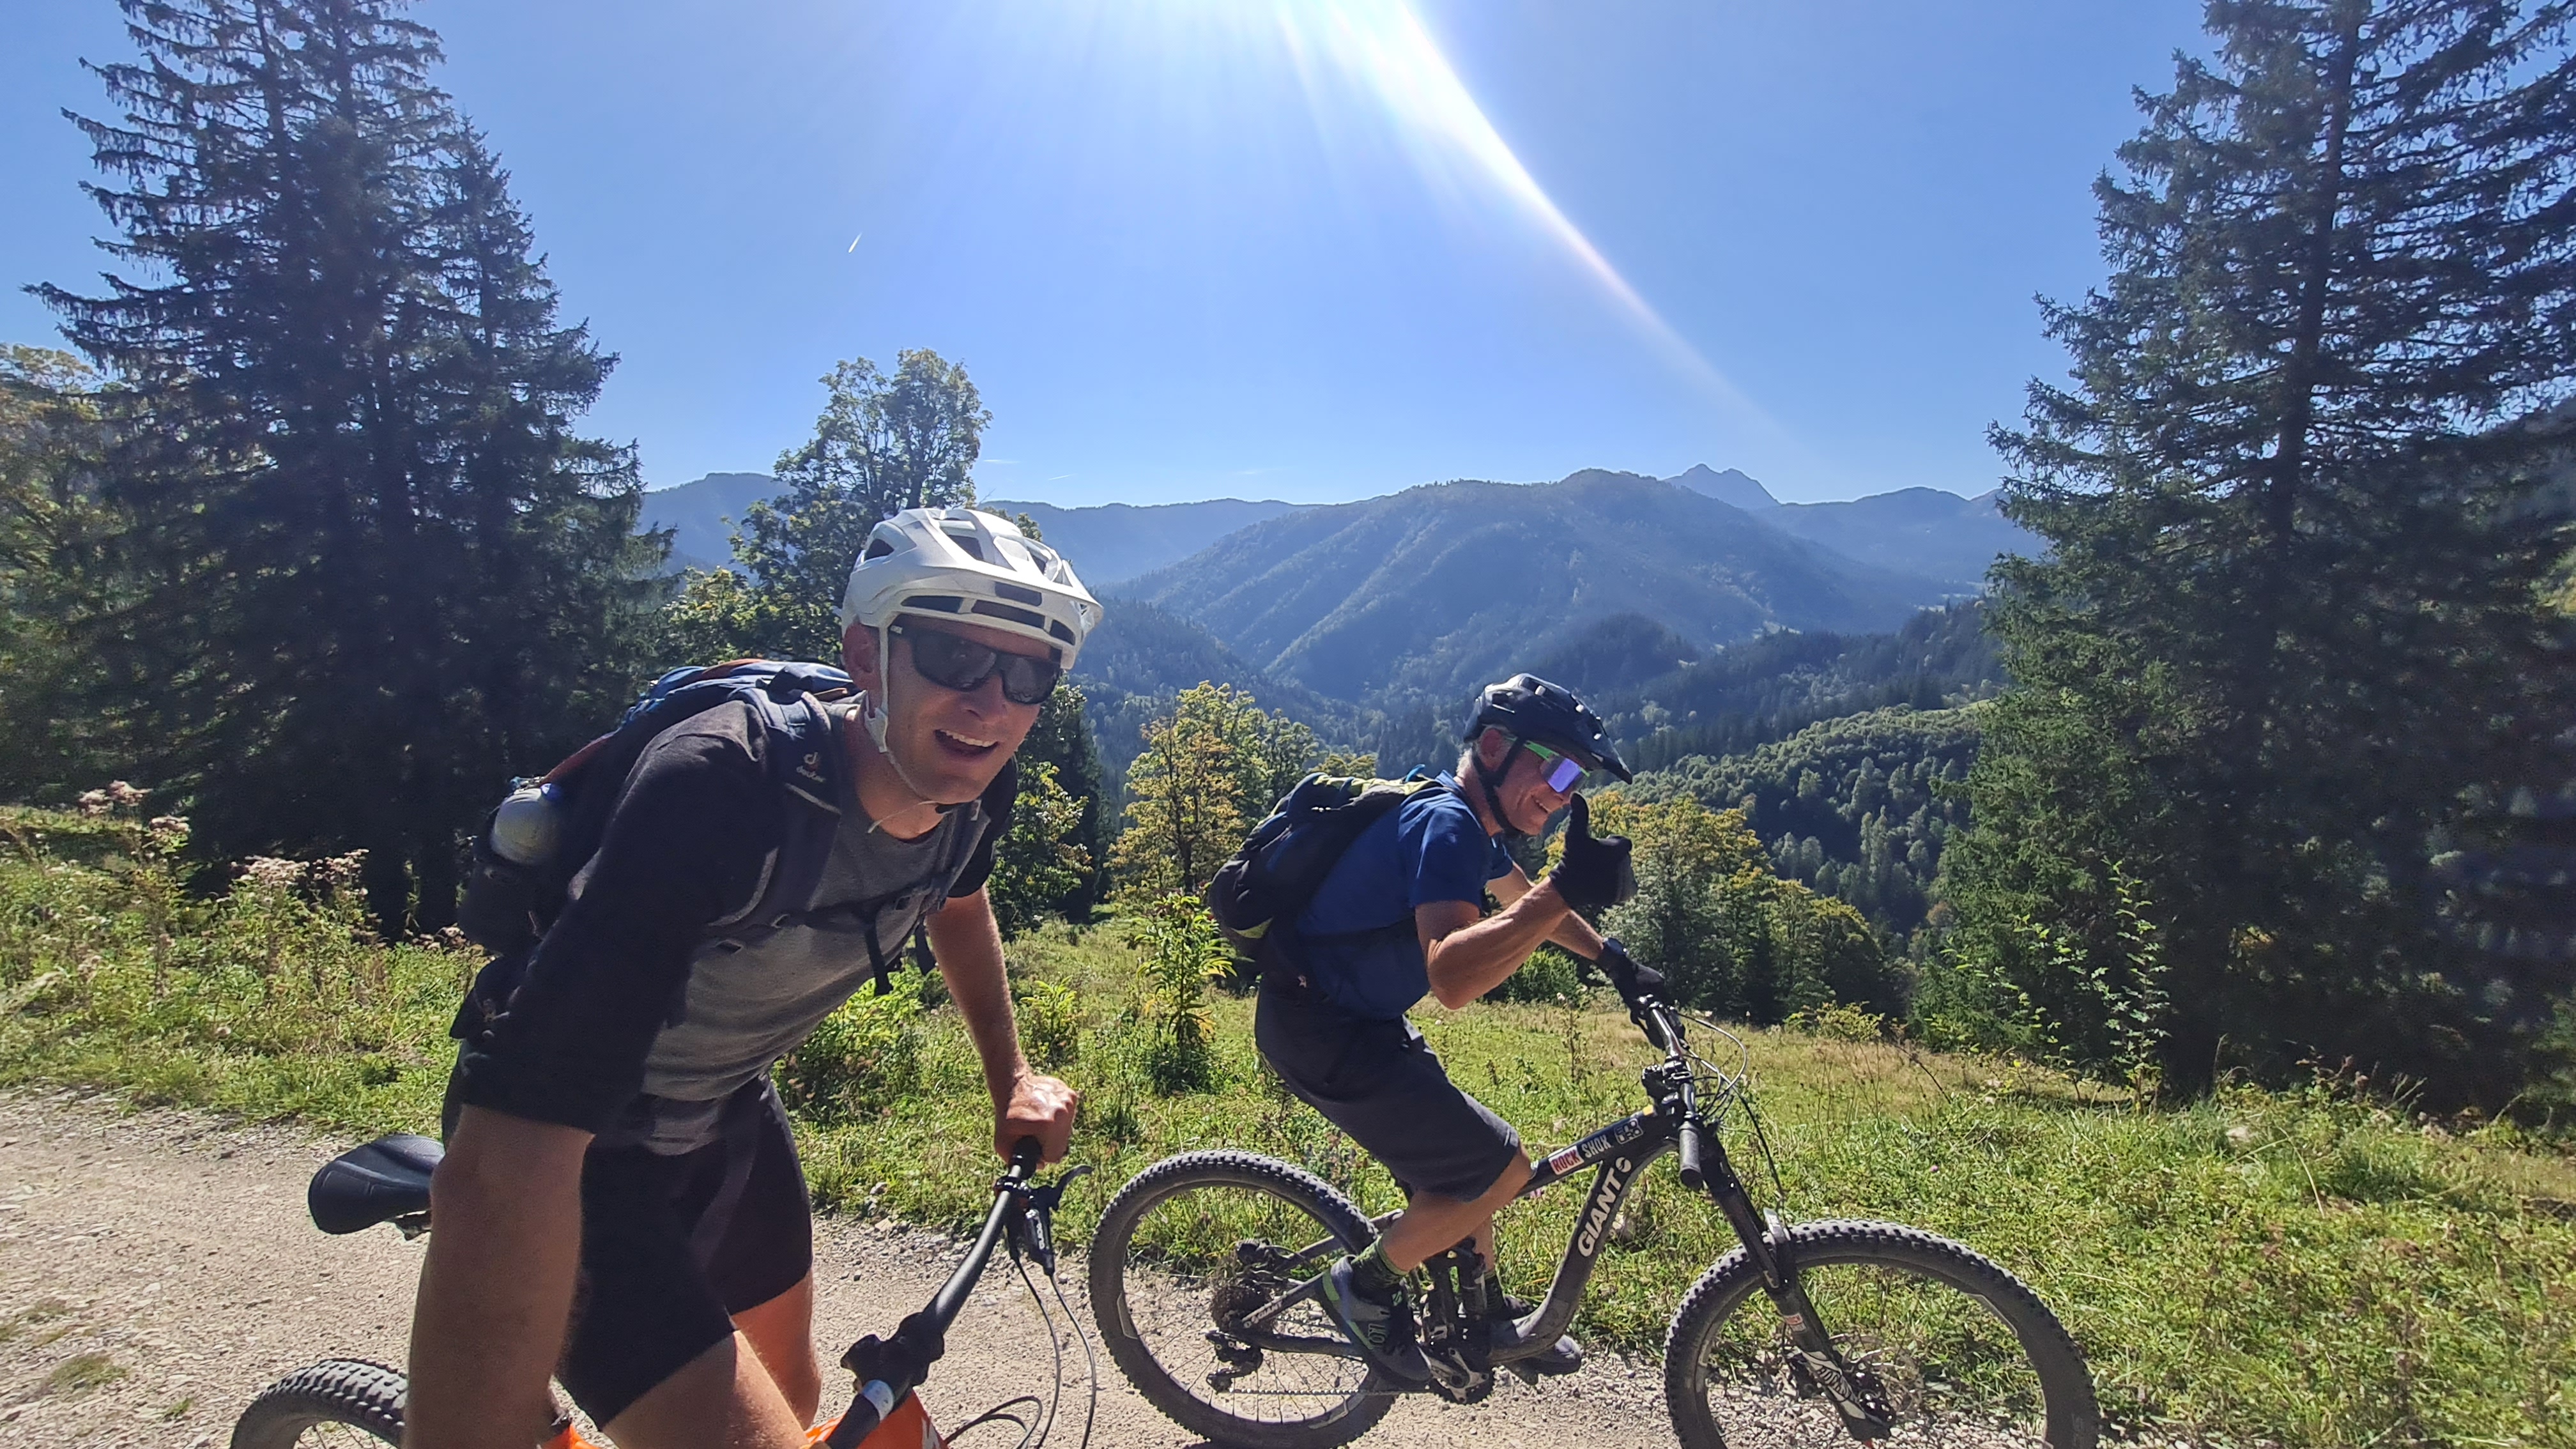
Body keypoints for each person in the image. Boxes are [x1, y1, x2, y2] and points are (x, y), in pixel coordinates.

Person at [408, 507, 1099, 1449]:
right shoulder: (719, 789)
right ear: (866, 654)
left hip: (728, 1114)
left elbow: (958, 900)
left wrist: (1009, 1078)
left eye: (1028, 674)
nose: (992, 706)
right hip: (583, 1154)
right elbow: (509, 1154)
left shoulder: (973, 790)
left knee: (798, 1396)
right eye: (954, 657)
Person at [1254, 673, 1636, 1383]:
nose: (1564, 795)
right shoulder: (1448, 825)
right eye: (1555, 770)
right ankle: (1363, 1286)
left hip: (1353, 1021)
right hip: (1323, 1032)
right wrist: (1566, 888)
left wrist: (1613, 959)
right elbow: (1453, 978)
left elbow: (1523, 900)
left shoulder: (1470, 824)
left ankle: (1480, 1320)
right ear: (1492, 747)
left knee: (1469, 1163)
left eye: (1576, 780)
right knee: (1500, 1169)